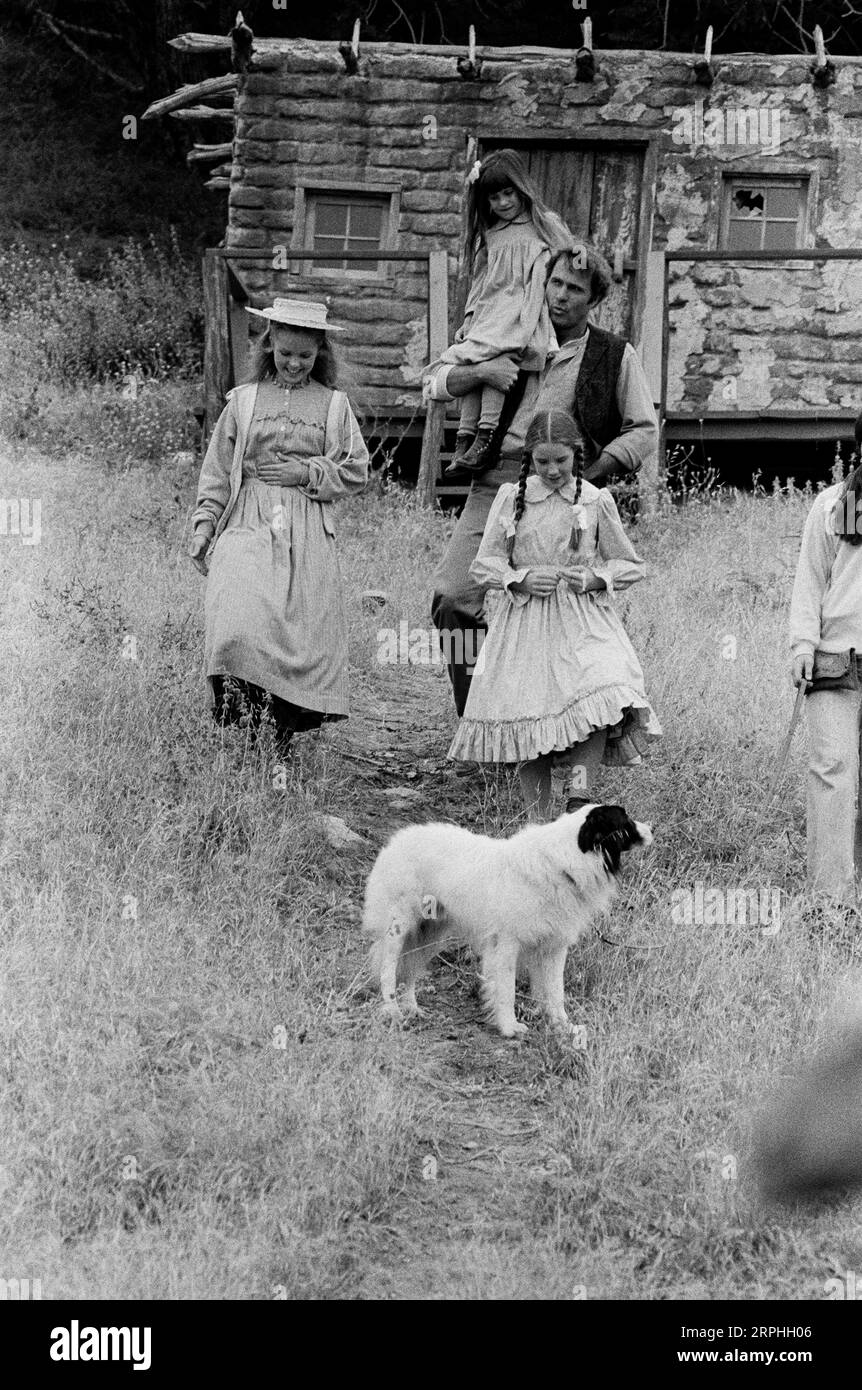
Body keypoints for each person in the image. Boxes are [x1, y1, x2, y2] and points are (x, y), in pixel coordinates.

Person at [428, 242, 659, 716]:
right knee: (452, 601)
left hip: (563, 494)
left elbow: (643, 429)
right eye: (554, 283)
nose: (560, 296)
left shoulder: (613, 355)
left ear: (593, 299)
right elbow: (437, 380)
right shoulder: (509, 333)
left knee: (556, 615)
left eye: (574, 289)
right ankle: (479, 714)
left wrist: (595, 471)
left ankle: (552, 728)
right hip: (496, 484)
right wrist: (483, 372)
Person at [448, 409, 661, 819]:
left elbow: (630, 564)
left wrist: (595, 578)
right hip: (526, 622)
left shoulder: (595, 501)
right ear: (530, 457)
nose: (552, 470)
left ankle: (578, 800)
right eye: (542, 461)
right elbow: (484, 564)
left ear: (576, 455)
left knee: (605, 688)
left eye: (561, 461)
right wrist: (520, 578)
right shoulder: (513, 499)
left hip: (582, 620)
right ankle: (539, 817)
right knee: (532, 713)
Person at [189, 298, 369, 757]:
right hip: (249, 521)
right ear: (269, 346)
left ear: (320, 354)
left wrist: (306, 472)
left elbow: (355, 469)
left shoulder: (333, 406)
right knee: (238, 617)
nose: (294, 363)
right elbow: (216, 470)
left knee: (291, 634)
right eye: (286, 352)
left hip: (305, 529)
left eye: (305, 356)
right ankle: (245, 718)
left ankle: (276, 738)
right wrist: (205, 525)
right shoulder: (243, 402)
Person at [435, 148, 571, 476]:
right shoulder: (491, 234)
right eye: (495, 197)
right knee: (471, 361)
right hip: (490, 314)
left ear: (521, 189)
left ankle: (486, 436)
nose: (504, 203)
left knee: (498, 361)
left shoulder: (544, 224)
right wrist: (469, 319)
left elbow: (569, 259)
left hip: (523, 314)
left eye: (509, 193)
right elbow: (479, 282)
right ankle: (464, 441)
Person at [790, 410, 862, 910]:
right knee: (831, 770)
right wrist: (802, 646)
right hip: (836, 659)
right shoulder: (833, 506)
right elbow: (810, 581)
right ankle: (830, 900)